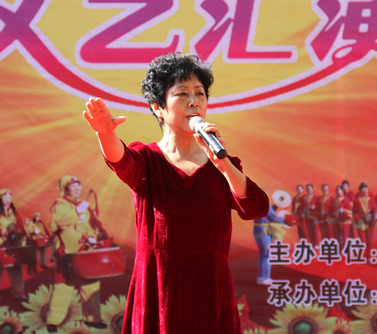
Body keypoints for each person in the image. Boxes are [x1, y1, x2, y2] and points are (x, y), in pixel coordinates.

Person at [83, 52, 269, 334]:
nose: (194, 101)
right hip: (158, 287)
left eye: (200, 93)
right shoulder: (147, 160)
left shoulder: (223, 164)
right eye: (182, 94)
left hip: (210, 290)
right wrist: (105, 134)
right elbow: (121, 161)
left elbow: (256, 207)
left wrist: (223, 165)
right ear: (158, 107)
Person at [46, 176, 104, 330]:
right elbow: (58, 222)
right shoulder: (60, 204)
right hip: (67, 250)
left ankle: (92, 319)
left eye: (79, 185)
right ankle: (53, 321)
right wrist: (77, 212)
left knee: (90, 283)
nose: (78, 188)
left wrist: (91, 237)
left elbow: (88, 226)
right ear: (65, 189)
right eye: (73, 186)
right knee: (64, 285)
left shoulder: (81, 204)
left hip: (84, 250)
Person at [0, 189, 28, 303]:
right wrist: (0, 231)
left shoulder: (14, 211)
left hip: (12, 243)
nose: (7, 200)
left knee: (15, 269)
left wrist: (19, 233)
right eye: (5, 197)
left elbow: (19, 225)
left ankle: (19, 294)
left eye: (9, 198)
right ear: (0, 198)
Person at [254, 198, 287, 286]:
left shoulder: (256, 202)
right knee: (266, 255)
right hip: (264, 231)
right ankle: (263, 278)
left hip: (259, 230)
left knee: (264, 254)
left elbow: (268, 213)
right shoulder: (263, 201)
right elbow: (273, 216)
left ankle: (263, 277)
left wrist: (275, 206)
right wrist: (285, 219)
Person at [353, 183, 377, 251]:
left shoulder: (371, 200)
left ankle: (370, 253)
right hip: (361, 222)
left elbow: (375, 209)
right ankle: (363, 253)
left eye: (366, 190)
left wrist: (375, 216)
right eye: (363, 190)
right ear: (360, 192)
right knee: (363, 240)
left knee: (371, 239)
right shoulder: (357, 200)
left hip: (371, 221)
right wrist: (359, 220)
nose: (365, 192)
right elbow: (354, 212)